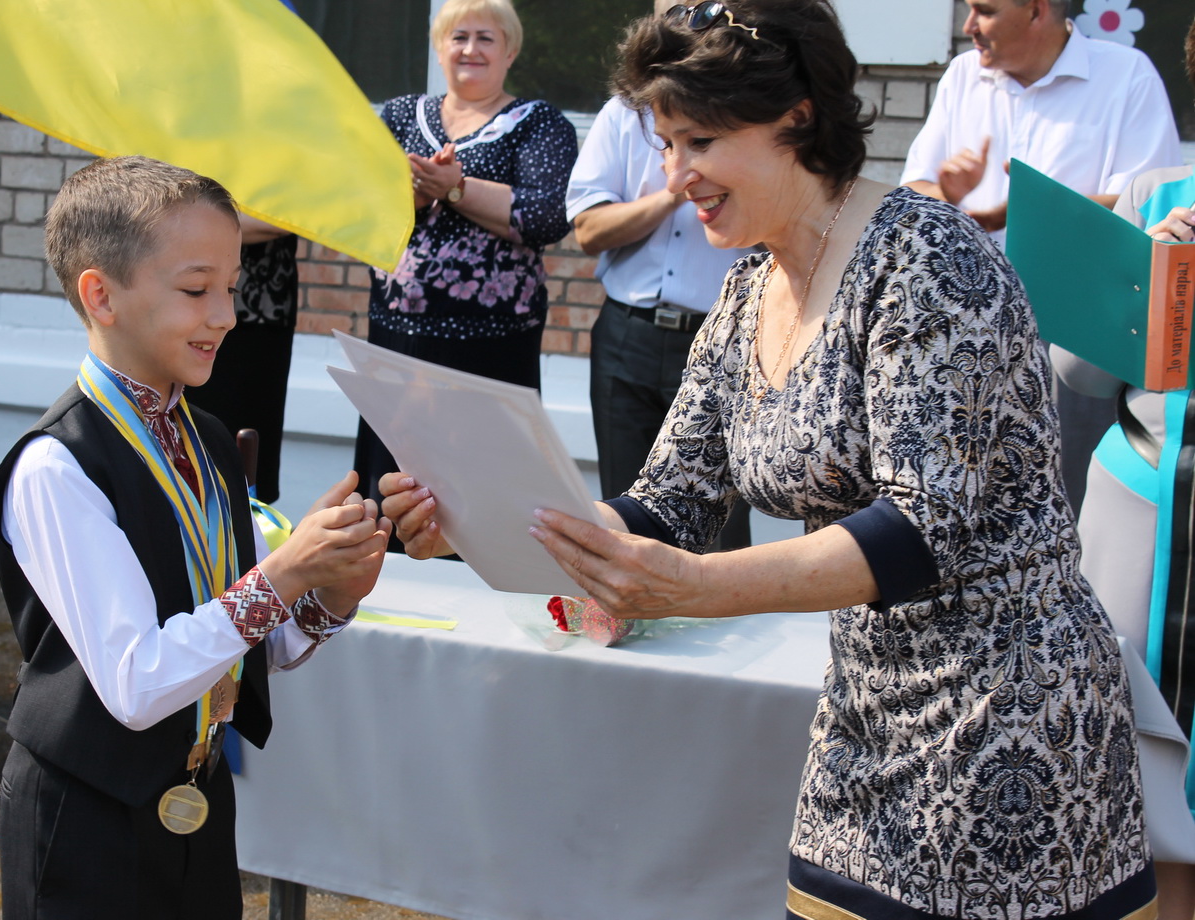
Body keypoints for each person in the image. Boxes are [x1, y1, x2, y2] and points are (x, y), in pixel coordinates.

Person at [382, 2, 1156, 916]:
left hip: (1010, 730)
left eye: (699, 141)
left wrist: (695, 588)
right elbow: (669, 499)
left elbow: (922, 529)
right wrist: (486, 524)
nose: (677, 176)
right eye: (664, 142)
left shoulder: (930, 258)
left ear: (795, 116)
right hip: (865, 720)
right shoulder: (750, 286)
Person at [0, 155, 391, 919]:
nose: (227, 315)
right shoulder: (56, 465)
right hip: (88, 816)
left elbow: (233, 642)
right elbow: (139, 683)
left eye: (232, 287)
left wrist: (327, 594)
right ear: (100, 295)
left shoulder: (203, 437)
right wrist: (282, 576)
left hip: (197, 798)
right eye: (196, 290)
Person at [900, 0, 1182, 511]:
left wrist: (1027, 210)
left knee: (1065, 497)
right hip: (963, 324)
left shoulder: (1125, 75)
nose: (968, 28)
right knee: (954, 496)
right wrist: (947, 192)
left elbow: (1142, 206)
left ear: (1036, 10)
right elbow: (915, 183)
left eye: (983, 11)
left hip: (1073, 337)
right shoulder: (963, 74)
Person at [1049, 18, 1195, 919]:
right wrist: (1143, 283)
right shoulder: (1150, 191)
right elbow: (1076, 374)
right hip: (1142, 511)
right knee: (1134, 785)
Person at [352, 0, 577, 531]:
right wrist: (414, 193)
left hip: (489, 350)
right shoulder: (401, 115)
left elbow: (545, 215)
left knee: (482, 492)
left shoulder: (539, 124)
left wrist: (454, 187)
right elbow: (366, 207)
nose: (470, 49)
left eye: (485, 38)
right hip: (398, 339)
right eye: (459, 37)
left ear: (510, 50)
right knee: (393, 484)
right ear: (439, 47)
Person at [566, 0, 753, 548]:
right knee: (624, 516)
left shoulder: (749, 116)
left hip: (720, 337)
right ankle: (625, 626)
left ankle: (722, 628)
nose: (684, 19)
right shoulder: (623, 112)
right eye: (672, 9)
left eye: (698, 9)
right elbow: (588, 230)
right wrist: (673, 192)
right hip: (630, 333)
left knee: (718, 530)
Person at [185, 224, 298, 504]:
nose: (227, 317)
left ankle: (251, 529)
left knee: (252, 452)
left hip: (267, 314)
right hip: (197, 320)